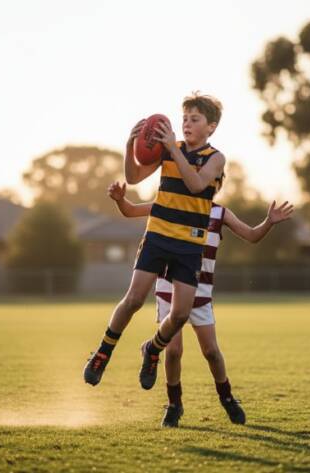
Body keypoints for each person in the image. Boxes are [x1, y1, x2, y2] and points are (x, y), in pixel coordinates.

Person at [107, 180, 294, 427]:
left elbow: (251, 235)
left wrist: (269, 221)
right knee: (173, 351)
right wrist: (120, 199)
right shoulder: (169, 204)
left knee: (212, 353)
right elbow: (131, 210)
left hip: (200, 292)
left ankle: (227, 398)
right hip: (169, 288)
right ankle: (174, 406)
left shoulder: (219, 213)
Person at [83, 93, 226, 391]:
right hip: (158, 236)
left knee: (180, 315)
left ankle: (152, 349)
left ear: (210, 127)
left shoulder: (215, 158)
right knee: (133, 299)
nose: (186, 123)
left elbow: (197, 184)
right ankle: (102, 352)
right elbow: (133, 177)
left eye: (195, 119)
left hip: (189, 245)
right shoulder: (168, 151)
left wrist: (174, 148)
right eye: (184, 118)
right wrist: (128, 146)